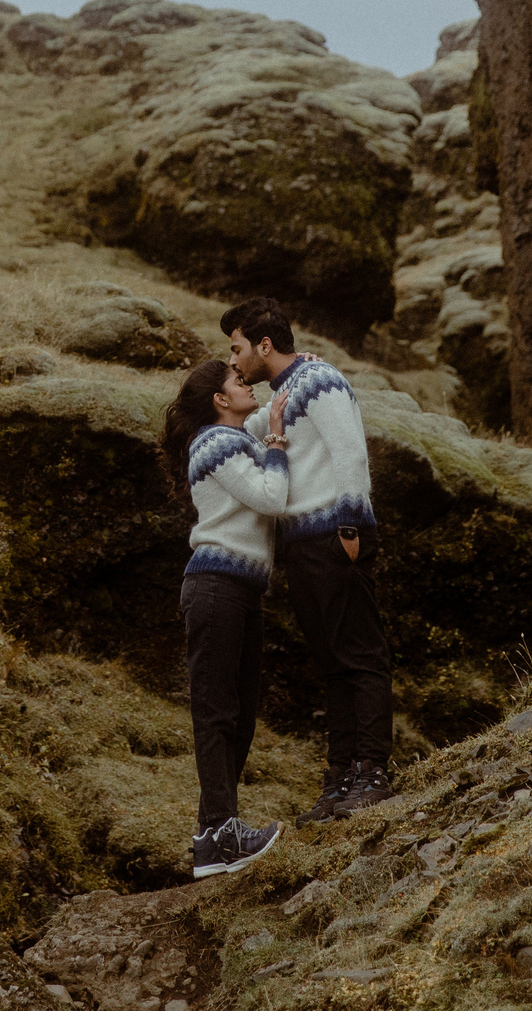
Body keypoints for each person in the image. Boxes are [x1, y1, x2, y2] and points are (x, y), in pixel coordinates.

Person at [222, 296, 395, 821]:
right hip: (300, 544)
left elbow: (349, 451)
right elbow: (244, 435)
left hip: (334, 537)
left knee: (360, 655)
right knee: (330, 663)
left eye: (238, 349)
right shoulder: (284, 395)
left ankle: (374, 773)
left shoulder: (320, 381)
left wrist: (350, 525)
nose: (234, 362)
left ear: (265, 345)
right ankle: (341, 776)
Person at [162, 356, 291, 877]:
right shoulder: (216, 443)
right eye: (241, 381)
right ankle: (219, 832)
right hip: (215, 587)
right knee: (217, 714)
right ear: (220, 399)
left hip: (239, 589)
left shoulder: (233, 437)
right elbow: (270, 497)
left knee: (237, 718)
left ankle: (213, 841)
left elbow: (257, 422)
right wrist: (279, 446)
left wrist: (293, 379)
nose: (249, 384)